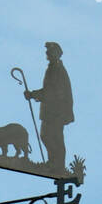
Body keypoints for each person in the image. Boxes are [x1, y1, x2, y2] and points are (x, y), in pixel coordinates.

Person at [24, 42, 73, 170]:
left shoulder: (57, 69)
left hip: (56, 112)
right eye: (48, 52)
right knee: (47, 135)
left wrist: (33, 94)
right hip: (51, 111)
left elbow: (51, 92)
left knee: (53, 136)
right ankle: (54, 162)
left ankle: (57, 164)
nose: (48, 54)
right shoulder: (53, 68)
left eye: (50, 52)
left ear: (56, 53)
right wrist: (34, 95)